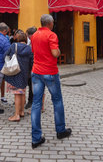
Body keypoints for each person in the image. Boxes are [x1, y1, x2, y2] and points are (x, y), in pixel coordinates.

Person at [30, 14, 71, 149]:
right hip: (50, 72)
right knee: (57, 100)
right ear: (50, 23)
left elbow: (33, 51)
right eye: (53, 22)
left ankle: (36, 138)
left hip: (36, 72)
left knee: (36, 104)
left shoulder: (34, 35)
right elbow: (54, 53)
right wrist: (58, 51)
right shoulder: (52, 35)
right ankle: (60, 130)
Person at [4, 31, 33, 122]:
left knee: (17, 94)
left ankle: (16, 115)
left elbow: (5, 55)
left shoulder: (14, 46)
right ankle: (22, 111)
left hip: (16, 72)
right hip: (25, 74)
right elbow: (32, 62)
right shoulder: (29, 48)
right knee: (22, 92)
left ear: (18, 39)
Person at [25, 26, 37, 109]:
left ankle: (31, 101)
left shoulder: (33, 42)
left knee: (32, 84)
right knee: (32, 84)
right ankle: (31, 101)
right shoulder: (29, 42)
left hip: (33, 66)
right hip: (32, 66)